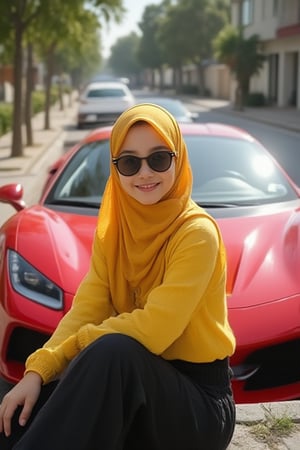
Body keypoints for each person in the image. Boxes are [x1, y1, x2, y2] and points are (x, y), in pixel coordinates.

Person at [0, 103, 236, 450]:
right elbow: (85, 311)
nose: (144, 173)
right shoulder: (115, 232)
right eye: (129, 162)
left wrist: (79, 347)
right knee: (30, 406)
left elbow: (154, 330)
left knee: (111, 350)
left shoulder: (196, 233)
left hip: (199, 406)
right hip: (137, 389)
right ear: (116, 168)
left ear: (178, 158)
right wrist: (38, 371)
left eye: (158, 158)